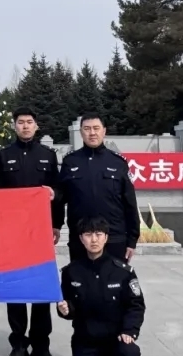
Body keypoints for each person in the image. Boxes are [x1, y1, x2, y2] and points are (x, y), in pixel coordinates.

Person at [56, 216, 146, 356]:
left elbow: (136, 304)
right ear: (81, 238)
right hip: (86, 343)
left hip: (115, 339)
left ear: (106, 238)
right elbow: (69, 309)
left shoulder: (122, 271)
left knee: (131, 352)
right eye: (88, 234)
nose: (93, 239)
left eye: (98, 234)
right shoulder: (71, 272)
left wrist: (129, 331)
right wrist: (65, 310)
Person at [0, 106, 62, 356]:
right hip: (13, 233)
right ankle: (18, 344)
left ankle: (41, 345)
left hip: (40, 232)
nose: (25, 126)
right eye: (20, 122)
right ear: (14, 126)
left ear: (36, 126)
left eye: (29, 122)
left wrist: (56, 224)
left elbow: (58, 192)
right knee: (17, 288)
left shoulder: (47, 156)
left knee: (41, 289)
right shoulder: (4, 156)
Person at [58, 112, 140, 264]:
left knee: (114, 284)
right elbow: (59, 199)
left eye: (96, 128)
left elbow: (130, 203)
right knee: (81, 284)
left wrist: (132, 239)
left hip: (114, 238)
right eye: (87, 129)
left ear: (104, 131)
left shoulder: (117, 162)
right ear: (81, 132)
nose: (92, 133)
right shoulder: (71, 162)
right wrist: (56, 225)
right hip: (81, 238)